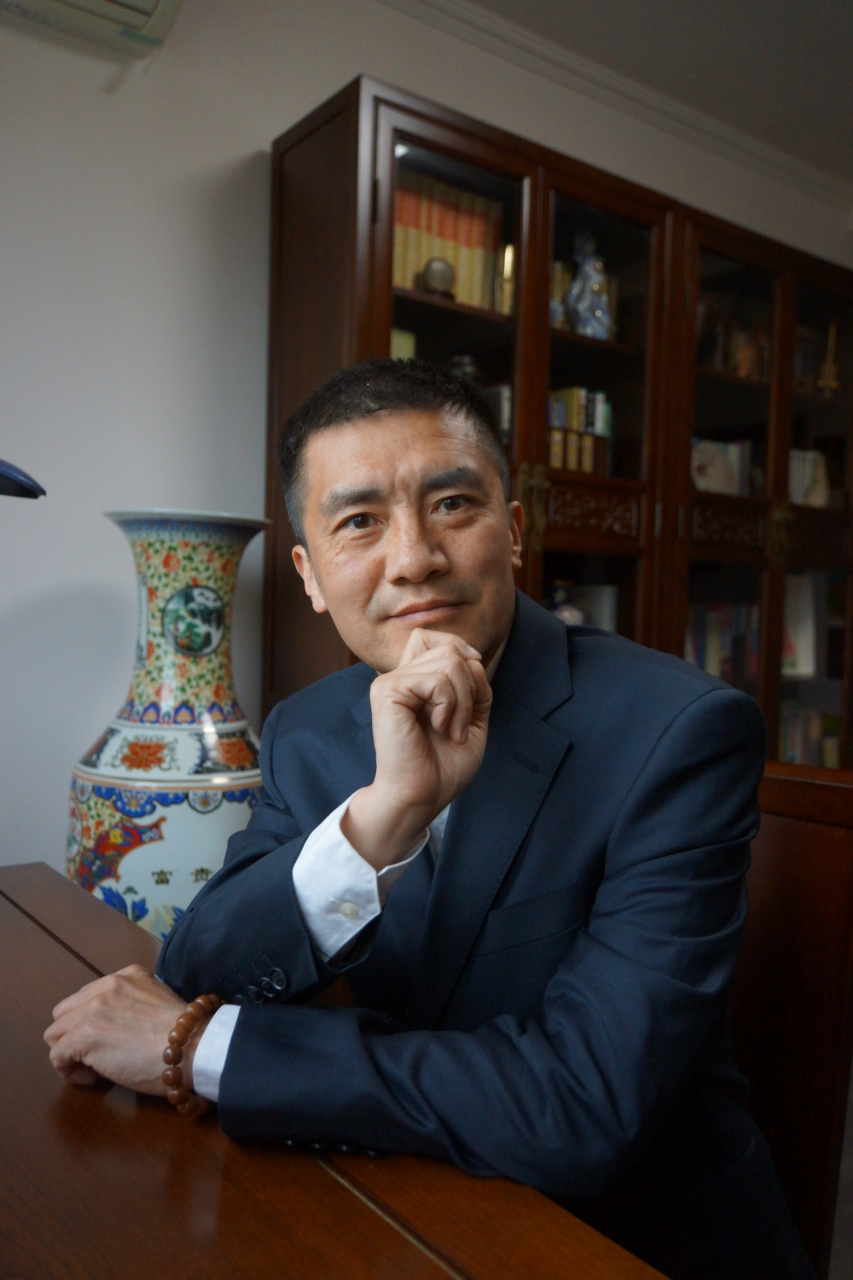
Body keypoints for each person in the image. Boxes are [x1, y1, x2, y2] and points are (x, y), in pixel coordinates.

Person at [45, 359, 815, 1280]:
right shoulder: (307, 728)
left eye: (452, 504)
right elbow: (204, 971)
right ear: (310, 576)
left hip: (622, 1242)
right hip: (402, 1212)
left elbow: (583, 1105)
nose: (413, 557)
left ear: (514, 532)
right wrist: (384, 816)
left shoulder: (679, 732)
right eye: (359, 522)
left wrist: (199, 1049)